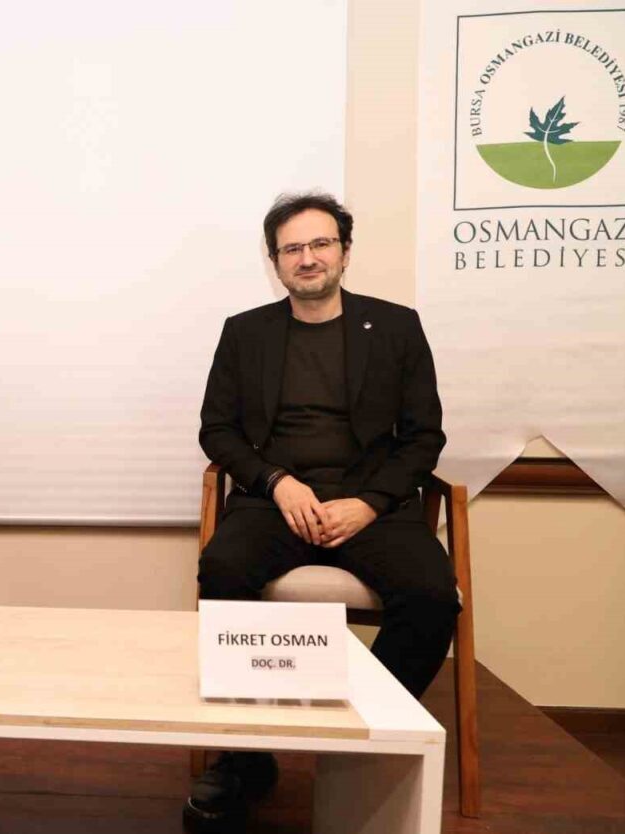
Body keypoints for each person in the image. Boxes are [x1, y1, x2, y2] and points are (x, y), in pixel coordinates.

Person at [186, 192, 460, 833]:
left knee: (431, 598)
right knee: (222, 571)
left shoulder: (396, 327)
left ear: (344, 252)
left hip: (371, 504)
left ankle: (359, 734)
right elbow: (217, 430)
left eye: (320, 244)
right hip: (275, 503)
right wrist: (276, 482)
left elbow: (424, 436)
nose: (307, 258)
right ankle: (246, 755)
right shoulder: (245, 332)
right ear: (275, 261)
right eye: (292, 249)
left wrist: (369, 503)